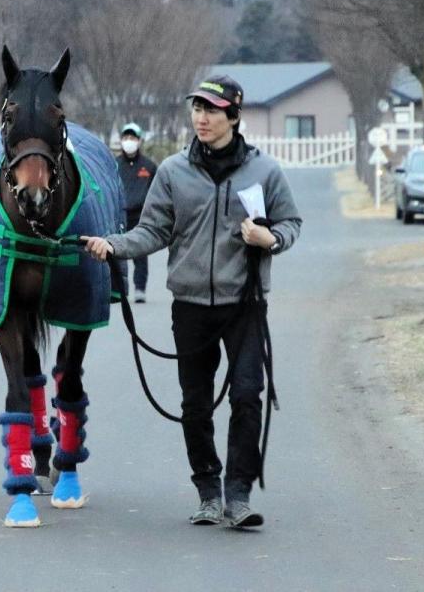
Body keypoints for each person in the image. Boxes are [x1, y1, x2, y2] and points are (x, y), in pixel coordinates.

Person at [84, 76, 302, 528]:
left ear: (234, 117)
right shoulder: (173, 171)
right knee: (195, 403)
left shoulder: (265, 171)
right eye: (197, 109)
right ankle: (208, 489)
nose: (201, 118)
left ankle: (238, 496)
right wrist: (114, 245)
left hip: (246, 304)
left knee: (247, 396)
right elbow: (154, 230)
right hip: (190, 305)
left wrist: (271, 238)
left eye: (212, 110)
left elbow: (291, 222)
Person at [116, 122, 157, 303]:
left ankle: (140, 288)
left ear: (139, 141)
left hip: (141, 216)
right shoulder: (114, 164)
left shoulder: (149, 166)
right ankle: (117, 288)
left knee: (140, 254)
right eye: (126, 138)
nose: (129, 141)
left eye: (132, 138)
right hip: (119, 215)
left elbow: (157, 193)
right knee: (116, 252)